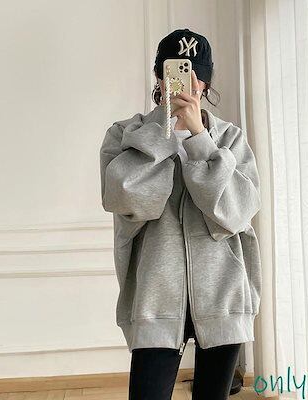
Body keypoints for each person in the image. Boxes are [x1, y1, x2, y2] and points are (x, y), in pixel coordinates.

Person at [100, 28, 262, 400]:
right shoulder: (124, 135)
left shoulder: (230, 139)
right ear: (159, 77)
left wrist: (200, 139)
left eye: (196, 75)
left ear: (206, 82)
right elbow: (125, 198)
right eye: (176, 72)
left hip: (224, 294)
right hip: (155, 298)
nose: (189, 84)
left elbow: (235, 213)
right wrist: (162, 135)